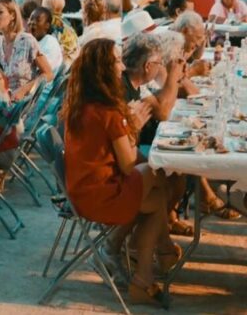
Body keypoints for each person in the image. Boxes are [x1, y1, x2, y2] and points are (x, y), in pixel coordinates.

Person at [61, 38, 178, 304]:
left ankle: (143, 275)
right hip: (101, 197)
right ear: (104, 68)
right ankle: (149, 255)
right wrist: (132, 127)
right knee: (155, 173)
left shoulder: (78, 106)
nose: (122, 66)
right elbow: (128, 164)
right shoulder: (109, 111)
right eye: (116, 60)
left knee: (156, 198)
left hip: (80, 192)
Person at [0, 0, 52, 101]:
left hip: (24, 104)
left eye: (0, 12)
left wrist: (24, 90)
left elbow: (48, 74)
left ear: (12, 15)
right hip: (1, 103)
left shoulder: (27, 41)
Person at [27, 6, 64, 73]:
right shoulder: (30, 41)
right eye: (31, 19)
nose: (32, 22)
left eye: (38, 20)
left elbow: (44, 73)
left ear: (47, 25)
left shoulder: (50, 43)